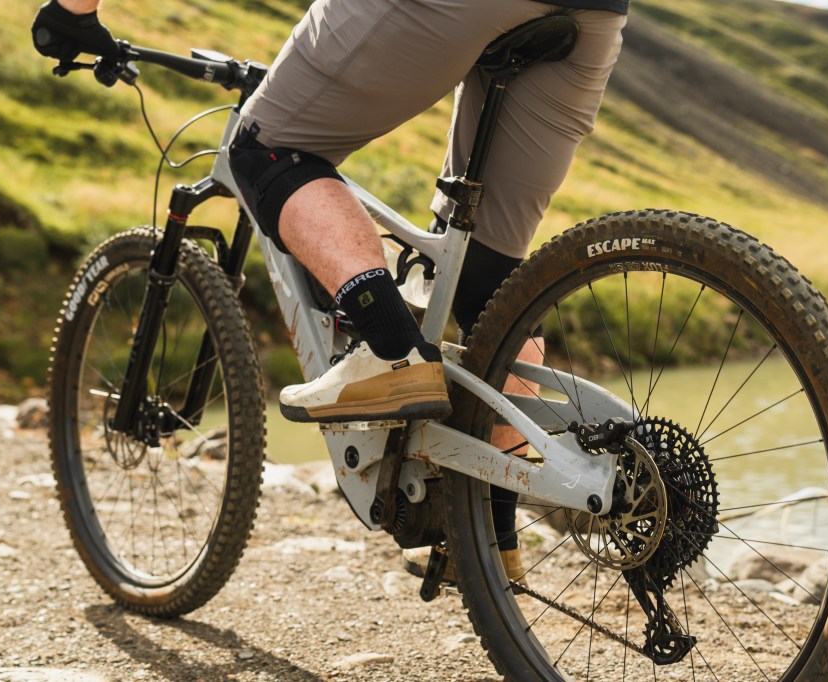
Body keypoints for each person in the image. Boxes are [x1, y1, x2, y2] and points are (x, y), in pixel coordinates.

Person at [32, 0, 628, 579]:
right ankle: (493, 541)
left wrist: (71, 13)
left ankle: (393, 354)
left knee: (267, 149)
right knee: (486, 279)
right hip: (594, 16)